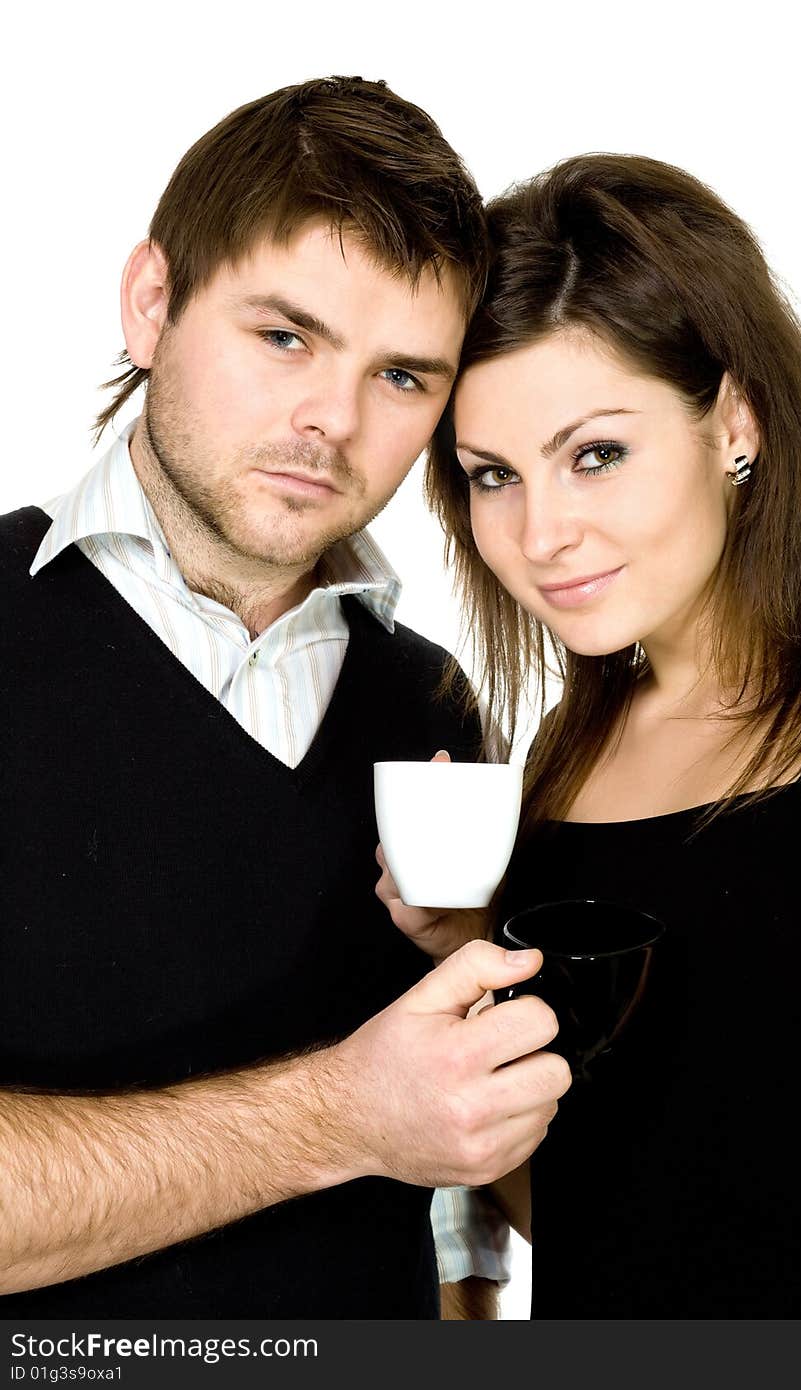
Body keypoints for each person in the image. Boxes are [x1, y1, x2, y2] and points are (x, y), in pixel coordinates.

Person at [0, 77, 572, 1319]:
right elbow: (382, 1120)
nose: (332, 421)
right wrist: (339, 1117)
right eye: (285, 336)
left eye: (403, 377)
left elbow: (461, 1200)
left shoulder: (430, 706)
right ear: (153, 303)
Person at [381, 153, 801, 1316]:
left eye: (593, 453)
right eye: (491, 475)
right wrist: (465, 959)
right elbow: (606, 1210)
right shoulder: (559, 763)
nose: (541, 533)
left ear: (736, 425)